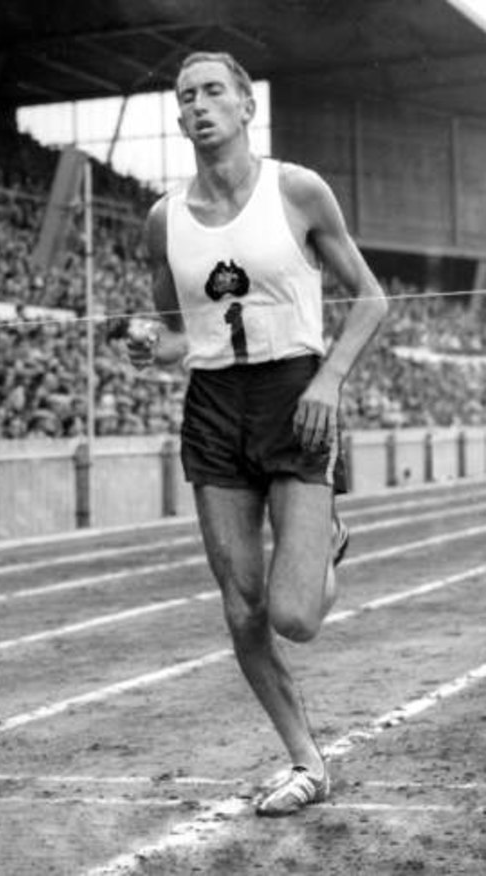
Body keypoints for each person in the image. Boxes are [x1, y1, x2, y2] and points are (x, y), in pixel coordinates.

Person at [127, 50, 388, 816]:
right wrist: (152, 343)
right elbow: (180, 336)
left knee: (294, 616)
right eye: (186, 97)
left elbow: (370, 301)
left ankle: (325, 540)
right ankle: (307, 762)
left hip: (296, 393)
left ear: (246, 107)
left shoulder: (297, 190)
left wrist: (330, 381)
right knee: (241, 608)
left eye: (213, 91)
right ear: (181, 119)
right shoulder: (162, 222)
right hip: (213, 407)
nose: (198, 105)